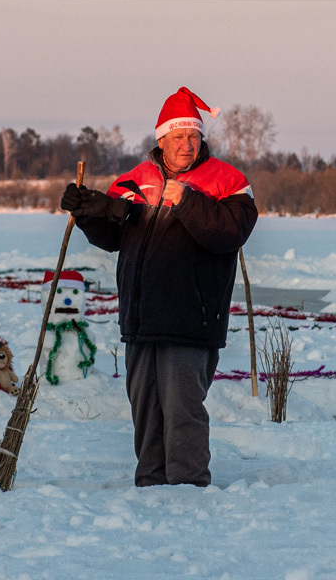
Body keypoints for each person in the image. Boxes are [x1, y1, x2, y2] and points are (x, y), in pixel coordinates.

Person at [61, 87, 257, 486]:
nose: (187, 144)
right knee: (145, 408)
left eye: (193, 136)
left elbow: (230, 232)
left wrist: (185, 200)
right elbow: (114, 235)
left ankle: (187, 489)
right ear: (161, 140)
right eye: (179, 137)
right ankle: (150, 483)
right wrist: (87, 213)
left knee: (182, 409)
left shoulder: (227, 181)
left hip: (191, 318)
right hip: (140, 316)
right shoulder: (135, 180)